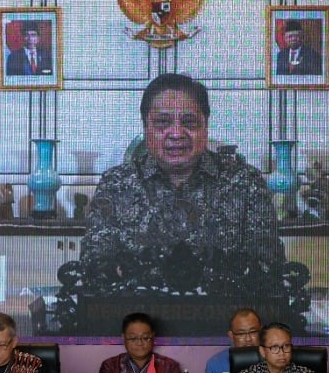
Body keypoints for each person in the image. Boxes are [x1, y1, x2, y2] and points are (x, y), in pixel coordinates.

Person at [79, 73, 284, 293]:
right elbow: (94, 265)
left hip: (222, 319)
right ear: (146, 127)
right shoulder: (116, 184)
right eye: (162, 123)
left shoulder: (244, 182)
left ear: (205, 126)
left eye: (189, 122)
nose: (176, 133)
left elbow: (267, 267)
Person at [98, 312, 184, 373]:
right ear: (123, 337)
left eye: (145, 337)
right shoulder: (110, 365)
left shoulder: (168, 365)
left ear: (153, 336)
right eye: (133, 338)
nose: (139, 343)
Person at [202, 308, 262, 373]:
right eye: (241, 333)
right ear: (231, 335)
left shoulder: (275, 357)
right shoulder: (215, 363)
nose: (248, 339)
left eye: (253, 332)